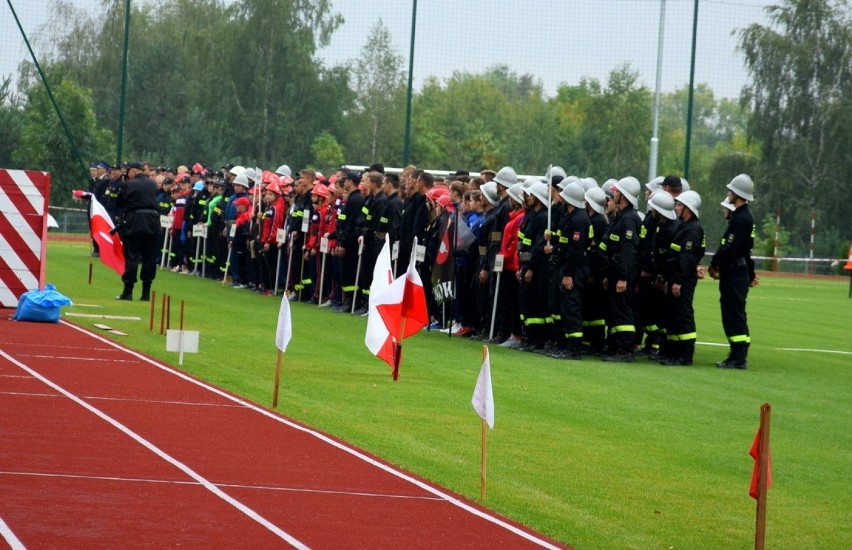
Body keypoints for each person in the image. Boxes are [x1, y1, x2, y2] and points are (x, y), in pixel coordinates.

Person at [709, 174, 756, 369]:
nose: (727, 194)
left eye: (730, 191)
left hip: (734, 272)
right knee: (734, 312)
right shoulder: (741, 216)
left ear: (736, 194)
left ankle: (738, 357)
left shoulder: (741, 218)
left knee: (733, 313)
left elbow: (731, 248)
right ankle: (736, 355)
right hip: (737, 271)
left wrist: (715, 264)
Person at [660, 191, 704, 366]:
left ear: (688, 208)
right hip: (674, 278)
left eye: (679, 205)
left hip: (682, 280)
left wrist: (678, 280)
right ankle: (673, 352)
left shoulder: (693, 230)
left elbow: (686, 259)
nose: (676, 208)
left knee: (683, 315)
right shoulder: (683, 226)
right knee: (674, 315)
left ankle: (685, 355)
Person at [601, 177, 642, 362]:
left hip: (623, 273)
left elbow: (628, 250)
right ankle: (615, 346)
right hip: (615, 270)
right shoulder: (620, 217)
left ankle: (626, 351)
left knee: (623, 310)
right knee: (614, 310)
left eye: (616, 191)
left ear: (623, 195)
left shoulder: (629, 219)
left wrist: (623, 277)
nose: (613, 194)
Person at [115, 162, 160, 301]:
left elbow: (120, 202)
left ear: (133, 172)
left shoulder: (128, 184)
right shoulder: (152, 184)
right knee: (149, 258)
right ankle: (146, 292)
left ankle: (128, 291)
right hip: (153, 222)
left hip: (134, 221)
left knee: (132, 256)